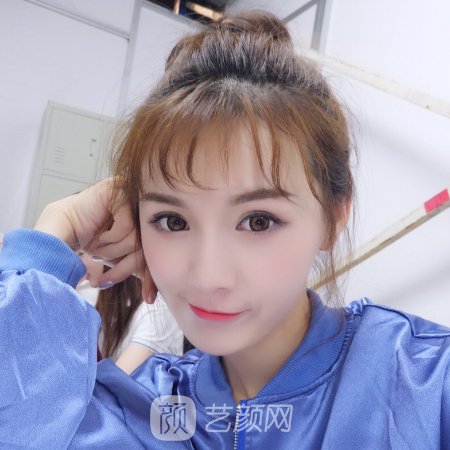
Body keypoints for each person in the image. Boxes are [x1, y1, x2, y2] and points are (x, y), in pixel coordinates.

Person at [0, 11, 449, 449]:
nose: (208, 277)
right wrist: (53, 235)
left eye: (258, 221)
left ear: (333, 218)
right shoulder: (153, 408)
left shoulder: (425, 383)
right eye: (173, 221)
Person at [76, 255, 184, 374]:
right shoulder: (100, 296)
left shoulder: (158, 309)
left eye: (81, 253)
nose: (78, 262)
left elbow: (117, 381)